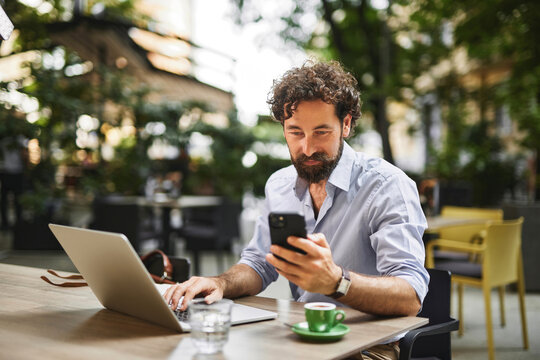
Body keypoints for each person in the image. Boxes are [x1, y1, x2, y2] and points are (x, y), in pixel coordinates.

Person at [164, 60, 429, 360]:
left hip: (370, 346)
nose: (307, 148)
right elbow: (259, 263)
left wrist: (336, 283)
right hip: (301, 337)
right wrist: (219, 283)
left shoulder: (387, 185)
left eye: (321, 132)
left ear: (346, 125)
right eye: (295, 132)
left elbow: (410, 295)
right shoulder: (279, 185)